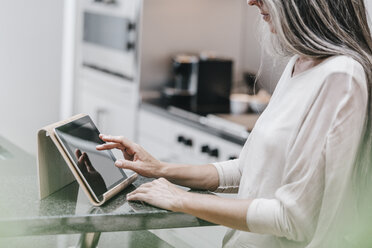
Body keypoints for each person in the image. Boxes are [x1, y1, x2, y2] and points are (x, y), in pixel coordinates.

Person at [96, 0, 372, 247]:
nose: (252, 1)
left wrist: (182, 200)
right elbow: (246, 170)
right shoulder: (298, 64)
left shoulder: (341, 76)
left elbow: (293, 218)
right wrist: (161, 170)